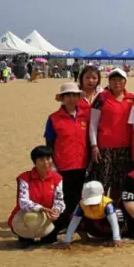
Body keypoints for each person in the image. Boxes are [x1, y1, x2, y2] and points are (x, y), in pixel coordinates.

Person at [44, 82, 89, 231]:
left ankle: (76, 224)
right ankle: (62, 224)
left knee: (78, 196)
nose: (71, 98)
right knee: (63, 196)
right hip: (62, 164)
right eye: (68, 95)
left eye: (74, 95)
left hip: (82, 163)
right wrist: (52, 164)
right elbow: (49, 142)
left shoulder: (85, 116)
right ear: (62, 98)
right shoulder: (53, 118)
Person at [89, 68, 134, 202]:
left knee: (120, 183)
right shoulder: (101, 98)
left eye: (120, 80)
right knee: (103, 181)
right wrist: (94, 146)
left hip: (125, 148)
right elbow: (93, 124)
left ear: (125, 81)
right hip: (105, 148)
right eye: (113, 80)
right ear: (109, 82)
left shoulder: (132, 98)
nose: (117, 83)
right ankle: (100, 210)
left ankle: (115, 209)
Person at [9, 145, 63, 245]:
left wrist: (56, 211)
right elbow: (23, 202)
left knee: (49, 241)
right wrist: (41, 208)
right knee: (26, 243)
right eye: (41, 160)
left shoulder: (57, 178)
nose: (46, 162)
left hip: (48, 216)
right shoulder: (24, 178)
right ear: (35, 162)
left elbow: (59, 200)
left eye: (48, 158)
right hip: (26, 215)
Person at [61, 180, 122, 246]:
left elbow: (113, 222)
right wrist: (67, 240)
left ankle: (112, 238)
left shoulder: (107, 204)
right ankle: (85, 238)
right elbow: (74, 222)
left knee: (118, 214)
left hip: (106, 229)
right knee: (73, 216)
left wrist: (116, 237)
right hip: (93, 228)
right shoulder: (81, 204)